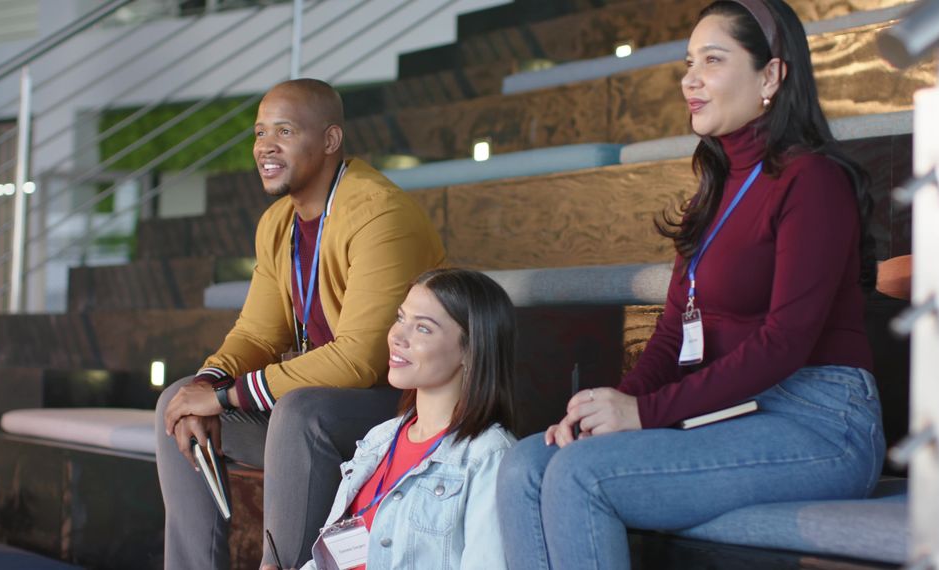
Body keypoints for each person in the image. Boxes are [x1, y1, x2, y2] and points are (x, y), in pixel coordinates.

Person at [496, 1, 886, 567]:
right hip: (737, 409)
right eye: (688, 62)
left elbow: (786, 343)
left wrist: (644, 415)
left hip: (823, 423)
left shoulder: (813, 181)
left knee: (581, 474)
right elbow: (673, 337)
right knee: (527, 464)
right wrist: (613, 407)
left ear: (771, 75)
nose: (690, 79)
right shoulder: (714, 190)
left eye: (712, 60)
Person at [155, 78, 445, 569]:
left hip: (403, 407)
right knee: (177, 400)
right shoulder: (278, 223)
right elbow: (257, 335)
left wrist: (227, 397)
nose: (265, 145)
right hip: (318, 409)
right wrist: (208, 383)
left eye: (284, 131)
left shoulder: (379, 214)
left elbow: (360, 360)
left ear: (330, 140)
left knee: (299, 413)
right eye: (259, 132)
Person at [264, 268, 517, 570]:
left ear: (471, 348)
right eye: (400, 318)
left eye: (423, 328)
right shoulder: (379, 440)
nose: (397, 336)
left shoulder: (489, 456)